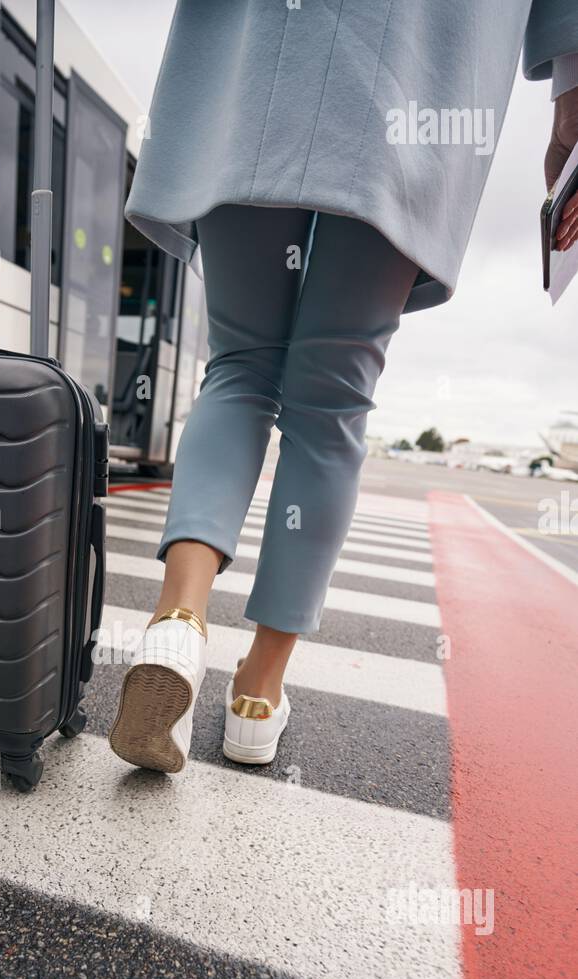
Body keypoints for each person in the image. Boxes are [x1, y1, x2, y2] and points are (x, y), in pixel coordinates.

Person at [108, 0, 578, 774]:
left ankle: (177, 621)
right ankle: (257, 696)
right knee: (330, 404)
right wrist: (571, 88)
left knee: (239, 366)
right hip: (425, 66)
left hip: (258, 54)